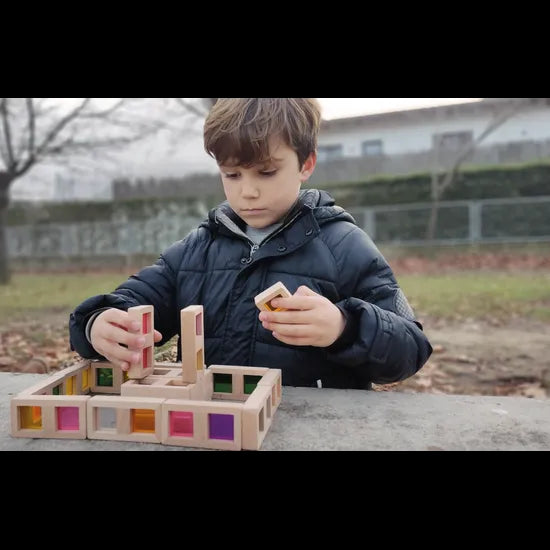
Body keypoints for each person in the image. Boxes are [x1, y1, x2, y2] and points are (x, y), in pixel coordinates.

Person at [69, 98, 432, 390]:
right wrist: (97, 325)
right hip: (212, 427)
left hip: (312, 433)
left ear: (306, 164)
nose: (248, 191)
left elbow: (411, 348)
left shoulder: (344, 246)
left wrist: (344, 327)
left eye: (266, 172)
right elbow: (130, 303)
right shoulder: (197, 249)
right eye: (232, 174)